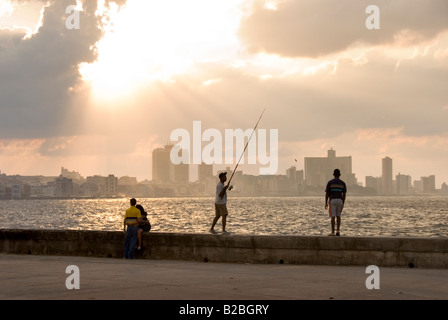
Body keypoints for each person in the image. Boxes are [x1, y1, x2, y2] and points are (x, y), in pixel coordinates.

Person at [325, 169, 347, 236]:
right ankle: (338, 230)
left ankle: (332, 232)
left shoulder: (330, 182)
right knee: (338, 216)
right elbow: (344, 194)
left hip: (332, 200)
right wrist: (343, 202)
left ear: (333, 175)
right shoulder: (343, 183)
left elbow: (327, 193)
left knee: (333, 216)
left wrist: (326, 202)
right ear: (339, 175)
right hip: (340, 200)